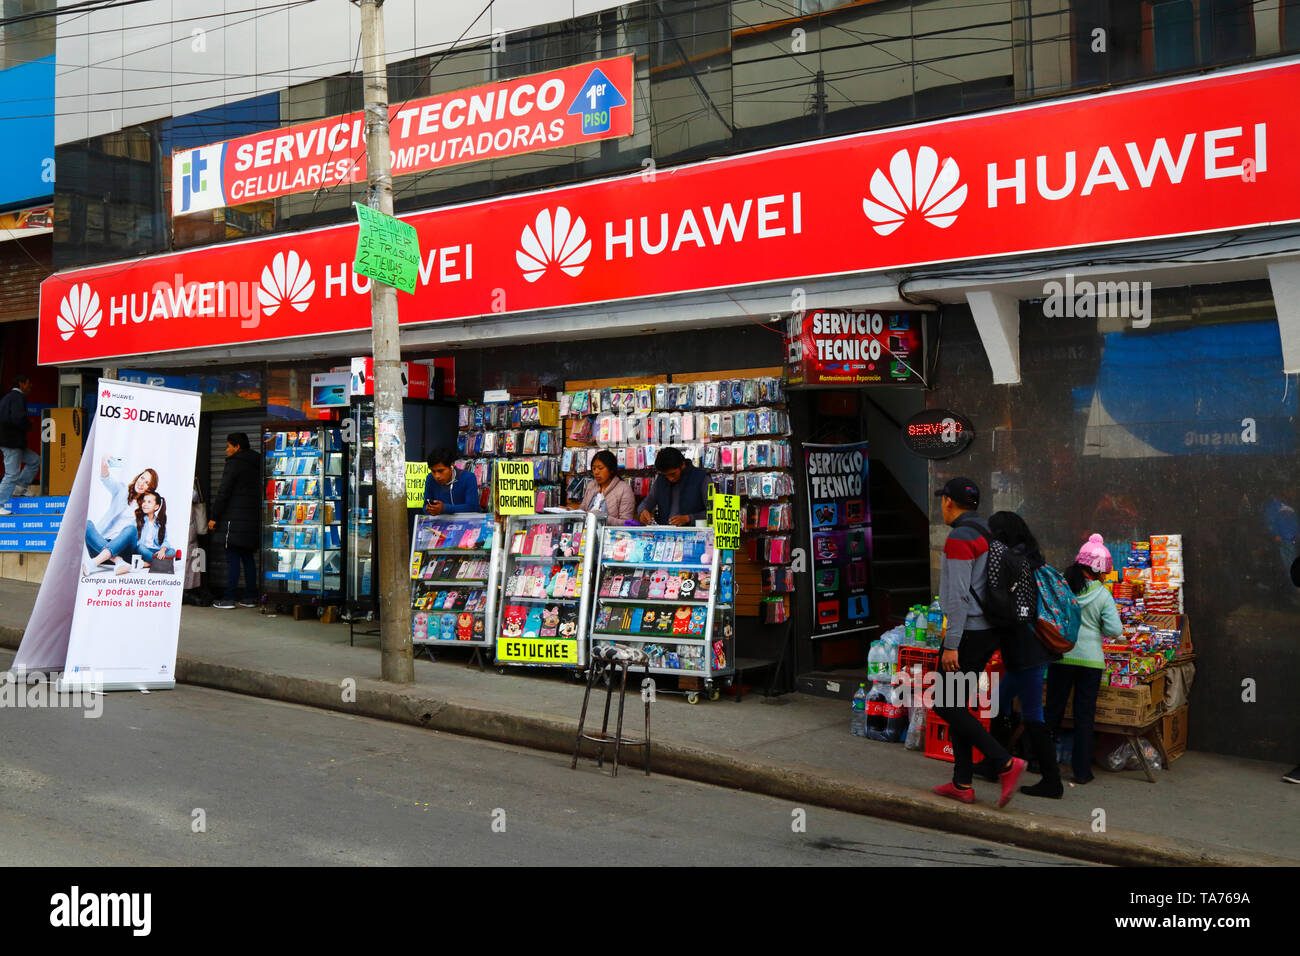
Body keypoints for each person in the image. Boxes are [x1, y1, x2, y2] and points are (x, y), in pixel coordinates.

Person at [930, 477, 1027, 807]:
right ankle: (962, 782)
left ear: (948, 502)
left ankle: (1005, 763)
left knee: (945, 704)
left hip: (967, 634)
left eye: (943, 499)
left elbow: (957, 596)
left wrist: (952, 644)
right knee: (957, 704)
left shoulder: (960, 537)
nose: (941, 504)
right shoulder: (985, 531)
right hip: (987, 631)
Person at [985, 510, 1063, 799]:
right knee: (1000, 702)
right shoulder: (1030, 557)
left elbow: (1013, 609)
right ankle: (995, 765)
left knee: (1032, 714)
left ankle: (1052, 781)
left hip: (1027, 650)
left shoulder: (1015, 561)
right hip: (1027, 649)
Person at [1043, 534, 1122, 786]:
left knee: (1052, 712)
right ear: (1100, 570)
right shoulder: (1103, 595)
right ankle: (1081, 772)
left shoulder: (1062, 587)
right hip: (1091, 662)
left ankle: (1039, 762)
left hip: (1061, 656)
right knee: (1084, 717)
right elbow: (1114, 630)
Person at [208, 432, 261, 609]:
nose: (226, 449)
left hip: (234, 519)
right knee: (247, 557)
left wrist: (214, 517)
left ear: (237, 447)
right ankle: (251, 596)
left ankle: (229, 597)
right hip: (252, 519)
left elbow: (224, 492)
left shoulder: (234, 464)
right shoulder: (258, 462)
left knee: (232, 557)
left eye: (229, 446)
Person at [84, 461, 158, 576]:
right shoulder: (122, 490)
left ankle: (93, 564)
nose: (142, 483)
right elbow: (106, 479)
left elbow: (149, 535)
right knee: (87, 524)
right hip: (99, 548)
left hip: (124, 551)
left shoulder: (147, 506)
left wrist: (147, 561)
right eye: (142, 478)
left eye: (147, 483)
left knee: (131, 529)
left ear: (150, 489)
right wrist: (104, 466)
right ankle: (118, 561)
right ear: (138, 477)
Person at [637, 447, 711, 527]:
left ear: (682, 465)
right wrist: (642, 511)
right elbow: (647, 502)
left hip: (694, 534)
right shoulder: (661, 479)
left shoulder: (702, 478)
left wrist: (689, 518)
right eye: (666, 475)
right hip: (665, 534)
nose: (670, 478)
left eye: (673, 474)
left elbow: (713, 513)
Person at [0, 375, 39, 516]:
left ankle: (19, 487)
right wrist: (30, 426)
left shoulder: (7, 397)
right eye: (28, 383)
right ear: (21, 384)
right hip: (12, 443)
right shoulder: (18, 397)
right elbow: (18, 419)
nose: (30, 386)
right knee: (11, 474)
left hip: (12, 442)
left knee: (34, 460)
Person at [570, 449, 636, 522]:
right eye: (594, 468)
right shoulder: (591, 485)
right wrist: (570, 511)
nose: (596, 472)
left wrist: (602, 517)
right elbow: (582, 510)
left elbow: (626, 522)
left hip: (611, 532)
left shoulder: (624, 489)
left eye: (600, 468)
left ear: (611, 469)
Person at [423, 448, 480, 515]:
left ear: (452, 465)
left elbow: (472, 507)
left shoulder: (468, 478)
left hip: (466, 522)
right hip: (440, 523)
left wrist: (445, 508)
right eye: (433, 471)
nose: (437, 476)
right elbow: (425, 507)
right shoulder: (430, 478)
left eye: (441, 471)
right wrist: (429, 509)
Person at [134, 491, 176, 563]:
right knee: (140, 547)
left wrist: (162, 550)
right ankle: (158, 562)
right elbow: (134, 541)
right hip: (143, 550)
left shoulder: (159, 523)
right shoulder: (138, 521)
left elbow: (165, 540)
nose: (145, 504)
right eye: (144, 501)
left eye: (149, 502)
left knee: (172, 551)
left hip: (155, 550)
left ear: (156, 506)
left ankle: (150, 563)